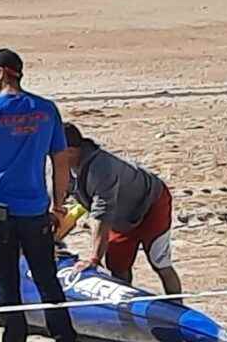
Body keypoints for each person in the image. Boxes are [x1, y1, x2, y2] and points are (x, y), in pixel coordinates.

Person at [0, 48, 76, 342]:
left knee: (7, 284)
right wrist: (59, 204)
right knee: (46, 278)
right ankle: (64, 336)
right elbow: (60, 161)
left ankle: (15, 336)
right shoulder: (46, 109)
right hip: (34, 210)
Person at [63, 123, 182, 295]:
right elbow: (54, 204)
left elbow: (101, 215)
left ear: (71, 150)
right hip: (120, 217)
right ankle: (125, 309)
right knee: (117, 267)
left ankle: (178, 309)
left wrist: (94, 259)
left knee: (159, 262)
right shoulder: (59, 167)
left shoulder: (102, 168)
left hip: (152, 205)